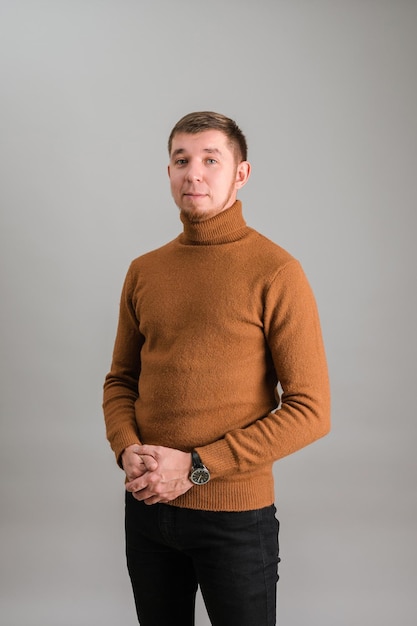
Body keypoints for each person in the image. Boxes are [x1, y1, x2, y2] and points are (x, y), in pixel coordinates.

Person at [103, 111, 330, 626]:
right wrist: (126, 447)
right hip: (148, 510)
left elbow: (311, 410)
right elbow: (121, 380)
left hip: (234, 517)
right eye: (181, 160)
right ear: (168, 173)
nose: (194, 173)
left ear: (241, 173)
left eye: (211, 159)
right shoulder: (145, 270)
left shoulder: (277, 271)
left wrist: (198, 465)